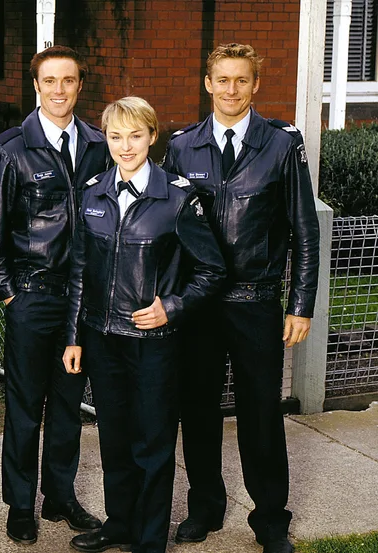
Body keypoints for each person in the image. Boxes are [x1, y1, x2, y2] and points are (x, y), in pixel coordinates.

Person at [161, 43, 319, 553]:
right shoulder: (182, 145)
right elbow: (170, 230)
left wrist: (300, 303)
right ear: (207, 83)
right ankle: (205, 504)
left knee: (260, 414)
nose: (231, 90)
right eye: (222, 80)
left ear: (256, 85)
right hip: (200, 305)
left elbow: (304, 231)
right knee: (199, 408)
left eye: (241, 81)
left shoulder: (280, 145)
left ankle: (270, 517)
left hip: (256, 301)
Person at [63, 97, 226, 553]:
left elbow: (212, 270)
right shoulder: (93, 191)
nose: (125, 145)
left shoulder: (177, 197)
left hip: (154, 343)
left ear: (153, 137)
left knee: (152, 446)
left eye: (135, 135)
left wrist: (171, 306)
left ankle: (150, 541)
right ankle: (120, 525)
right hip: (102, 337)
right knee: (114, 442)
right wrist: (74, 337)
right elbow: (79, 269)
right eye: (116, 136)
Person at [0, 45, 107, 545]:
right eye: (49, 81)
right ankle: (20, 503)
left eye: (68, 81)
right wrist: (11, 297)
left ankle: (61, 496)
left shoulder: (99, 145)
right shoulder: (10, 148)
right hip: (31, 298)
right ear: (36, 86)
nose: (59, 90)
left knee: (70, 405)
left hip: (82, 303)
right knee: (25, 406)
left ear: (79, 85)